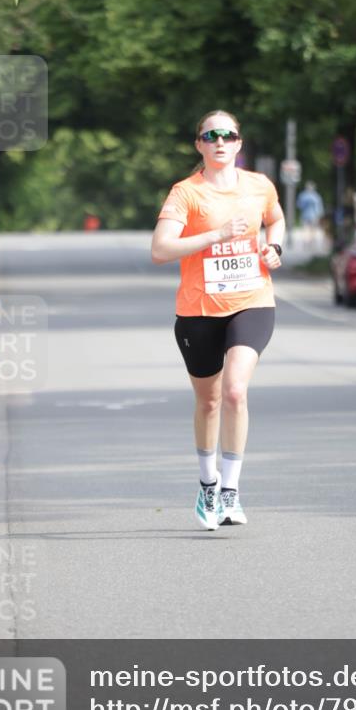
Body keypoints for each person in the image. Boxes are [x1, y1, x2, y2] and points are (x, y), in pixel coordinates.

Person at [152, 109, 285, 530]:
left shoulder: (259, 186)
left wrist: (274, 248)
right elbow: (160, 249)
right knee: (208, 400)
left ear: (239, 143)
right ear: (200, 145)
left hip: (252, 301)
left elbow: (276, 220)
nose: (220, 142)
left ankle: (230, 492)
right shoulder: (185, 193)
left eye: (228, 135)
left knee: (234, 392)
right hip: (198, 311)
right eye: (211, 136)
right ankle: (207, 484)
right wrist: (217, 235)